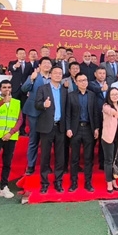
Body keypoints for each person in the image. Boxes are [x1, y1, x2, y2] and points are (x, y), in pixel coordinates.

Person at [35, 65, 68, 194]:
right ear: (50, 75)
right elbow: (36, 104)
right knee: (45, 156)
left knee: (60, 157)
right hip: (46, 127)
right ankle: (44, 183)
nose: (58, 75)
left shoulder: (64, 90)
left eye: (60, 73)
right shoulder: (43, 89)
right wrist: (44, 104)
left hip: (60, 127)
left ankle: (58, 181)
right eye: (55, 73)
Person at [66, 73, 101, 192]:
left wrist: (96, 128)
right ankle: (74, 182)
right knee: (74, 158)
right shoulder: (71, 95)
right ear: (76, 83)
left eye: (85, 80)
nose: (83, 82)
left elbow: (95, 112)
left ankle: (88, 183)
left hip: (88, 129)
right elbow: (68, 114)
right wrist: (68, 128)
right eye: (80, 80)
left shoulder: (92, 95)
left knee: (88, 158)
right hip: (75, 129)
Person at [21, 57, 52, 175]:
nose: (47, 65)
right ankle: (31, 165)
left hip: (48, 113)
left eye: (49, 63)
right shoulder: (34, 76)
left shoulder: (54, 78)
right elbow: (24, 89)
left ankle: (46, 165)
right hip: (34, 112)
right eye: (44, 63)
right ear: (39, 65)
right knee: (33, 140)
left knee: (47, 141)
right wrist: (31, 79)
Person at [101, 88, 118, 193]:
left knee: (116, 161)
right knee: (108, 161)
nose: (115, 96)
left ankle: (114, 180)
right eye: (112, 94)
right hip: (108, 138)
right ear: (109, 96)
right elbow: (110, 111)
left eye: (116, 94)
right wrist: (114, 112)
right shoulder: (106, 106)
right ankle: (109, 183)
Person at [8, 47, 33, 136]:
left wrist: (29, 89)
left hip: (24, 90)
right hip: (15, 89)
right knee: (14, 109)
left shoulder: (29, 65)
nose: (22, 55)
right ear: (17, 55)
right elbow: (10, 69)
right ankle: (12, 129)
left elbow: (31, 77)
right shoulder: (12, 63)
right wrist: (15, 66)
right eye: (20, 53)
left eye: (24, 53)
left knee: (23, 110)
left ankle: (22, 130)